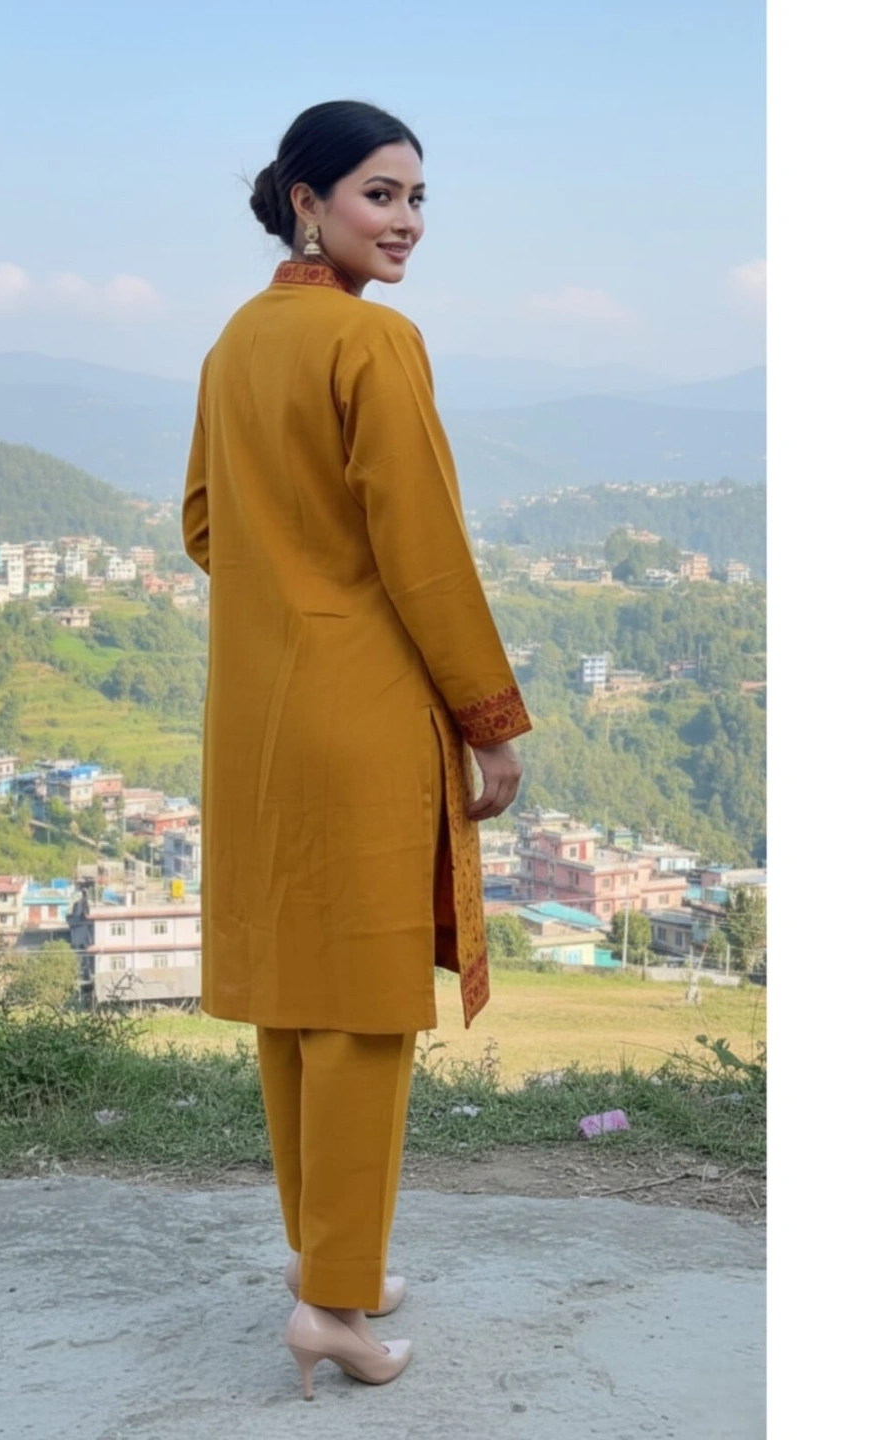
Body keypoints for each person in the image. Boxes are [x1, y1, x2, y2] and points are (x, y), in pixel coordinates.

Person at [181, 99, 532, 1400]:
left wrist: (292, 587)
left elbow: (204, 524)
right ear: (306, 201)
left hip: (258, 712)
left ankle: (329, 1260)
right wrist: (490, 722)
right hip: (363, 713)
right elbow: (422, 555)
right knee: (367, 1012)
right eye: (380, 195)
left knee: (296, 997)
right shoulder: (373, 342)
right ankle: (333, 1304)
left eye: (417, 198)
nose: (406, 222)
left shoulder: (238, 339)